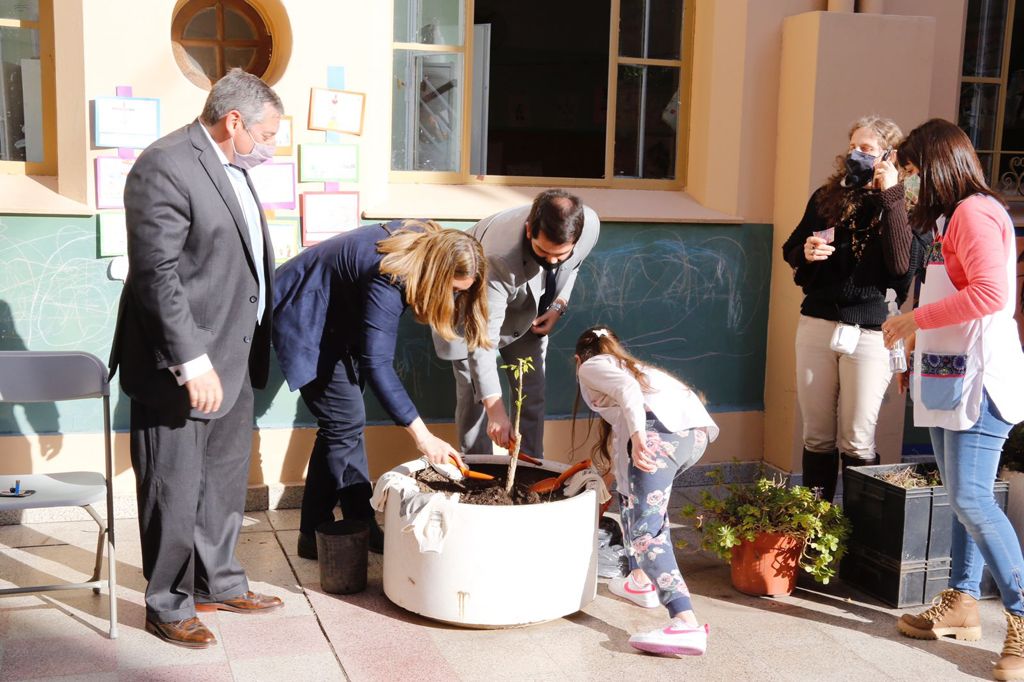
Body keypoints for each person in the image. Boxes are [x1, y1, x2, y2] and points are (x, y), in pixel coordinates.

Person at [109, 69, 284, 649]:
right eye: (267, 133)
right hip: (184, 368)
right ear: (233, 121)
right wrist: (191, 360)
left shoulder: (231, 166)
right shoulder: (166, 164)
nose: (271, 146)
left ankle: (220, 581)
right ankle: (167, 602)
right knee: (173, 485)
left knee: (223, 483)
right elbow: (156, 275)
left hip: (234, 354)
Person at [882, 118, 1024, 681]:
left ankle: (1020, 613)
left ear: (938, 167)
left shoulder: (975, 213)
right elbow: (949, 294)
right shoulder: (947, 218)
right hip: (947, 375)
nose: (909, 182)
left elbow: (990, 294)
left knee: (970, 497)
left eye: (912, 171)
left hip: (980, 381)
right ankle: (963, 602)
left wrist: (913, 319)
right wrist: (916, 351)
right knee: (963, 495)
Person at [272, 220, 490, 560]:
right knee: (343, 424)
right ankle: (331, 528)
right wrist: (423, 436)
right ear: (436, 271)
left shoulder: (425, 246)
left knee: (344, 425)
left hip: (339, 319)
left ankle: (340, 527)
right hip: (306, 311)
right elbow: (378, 365)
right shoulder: (391, 275)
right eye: (454, 289)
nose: (455, 297)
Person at [781, 115, 922, 502]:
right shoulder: (827, 197)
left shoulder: (906, 205)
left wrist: (890, 195)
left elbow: (900, 266)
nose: (855, 155)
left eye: (867, 149)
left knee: (857, 440)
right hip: (817, 321)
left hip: (871, 333)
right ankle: (818, 530)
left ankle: (860, 540)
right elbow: (791, 247)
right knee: (817, 435)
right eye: (852, 146)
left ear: (889, 156)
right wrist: (806, 254)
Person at [572, 326, 718, 656]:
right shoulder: (634, 367)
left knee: (646, 533)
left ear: (578, 357)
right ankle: (641, 580)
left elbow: (628, 395)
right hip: (692, 437)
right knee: (641, 508)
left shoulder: (592, 366)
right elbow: (624, 428)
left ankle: (686, 622)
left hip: (658, 434)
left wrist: (639, 437)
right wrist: (618, 482)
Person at [433, 190, 600, 459]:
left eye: (561, 255)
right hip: (469, 305)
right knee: (475, 397)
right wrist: (496, 411)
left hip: (527, 309)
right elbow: (483, 340)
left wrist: (558, 305)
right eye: (543, 251)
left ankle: (530, 471)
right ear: (529, 229)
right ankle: (478, 470)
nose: (552, 262)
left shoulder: (589, 225)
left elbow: (574, 266)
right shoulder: (498, 257)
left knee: (531, 392)